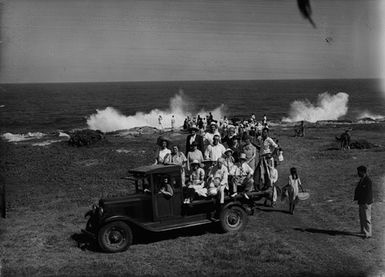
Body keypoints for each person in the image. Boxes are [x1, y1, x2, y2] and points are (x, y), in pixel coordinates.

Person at [354, 165, 373, 238]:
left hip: (366, 202)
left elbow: (368, 193)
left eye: (359, 172)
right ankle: (363, 231)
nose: (358, 173)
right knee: (362, 217)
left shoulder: (368, 181)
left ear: (363, 172)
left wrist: (365, 202)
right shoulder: (362, 179)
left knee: (366, 218)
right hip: (361, 202)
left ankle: (368, 233)